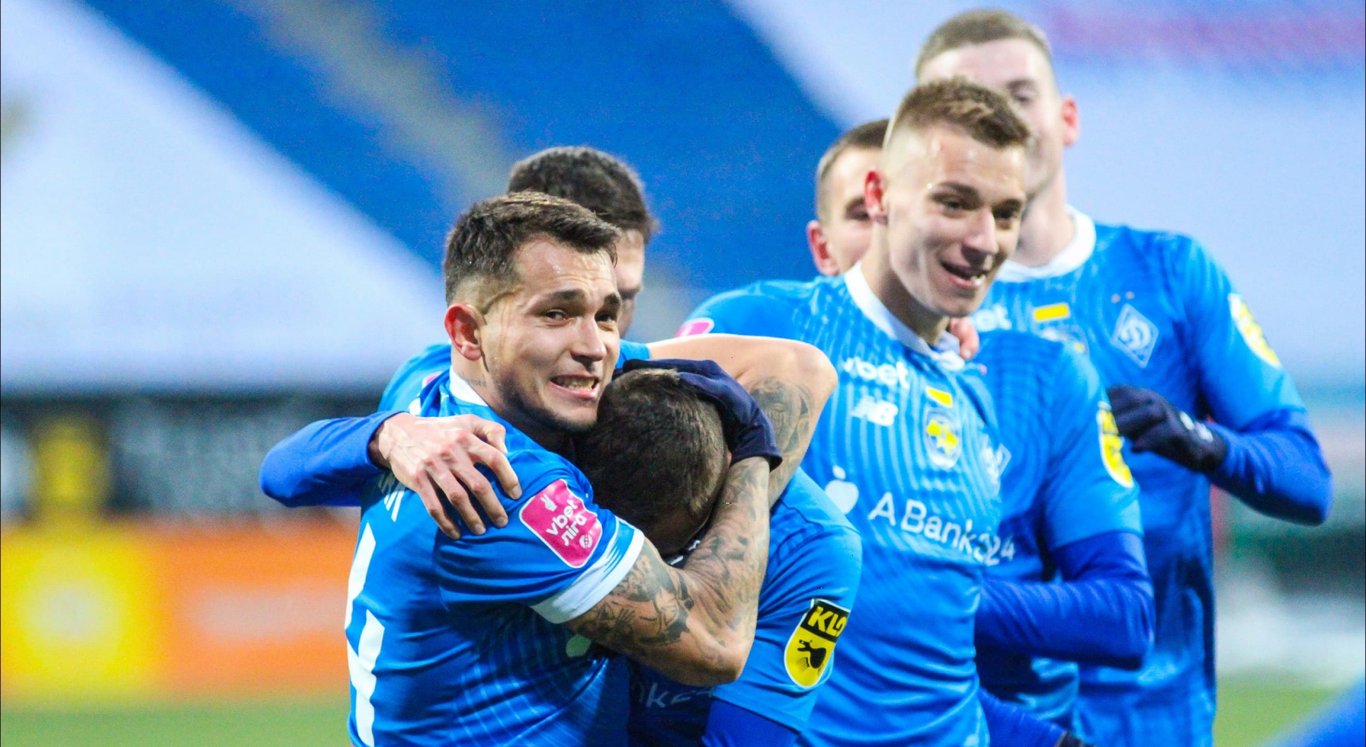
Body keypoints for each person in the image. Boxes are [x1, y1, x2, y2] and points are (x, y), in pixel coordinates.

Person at [914, 9, 1333, 745]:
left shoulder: (1168, 274)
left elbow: (1307, 481)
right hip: (981, 720)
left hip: (1153, 718)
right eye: (966, 104)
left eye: (1019, 95)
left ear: (1067, 117)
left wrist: (1200, 442)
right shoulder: (912, 309)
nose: (998, 121)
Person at [287, 191, 835, 745]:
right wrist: (750, 457)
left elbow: (799, 365)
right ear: (468, 333)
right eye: (557, 314)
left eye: (606, 315)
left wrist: (384, 432)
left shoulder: (428, 383)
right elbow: (715, 642)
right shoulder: (497, 485)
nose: (595, 347)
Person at [681, 79, 1082, 746]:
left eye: (1007, 213)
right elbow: (597, 409)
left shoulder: (972, 392)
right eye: (955, 203)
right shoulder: (765, 327)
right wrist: (469, 422)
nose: (985, 240)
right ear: (880, 196)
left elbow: (929, 663)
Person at [803, 117, 1154, 727]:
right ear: (823, 245)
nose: (883, 231)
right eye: (860, 214)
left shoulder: (1040, 380)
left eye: (989, 210)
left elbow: (1125, 615)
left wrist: (925, 589)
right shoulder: (766, 345)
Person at [577, 367, 862, 746]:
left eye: (675, 551)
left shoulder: (811, 546)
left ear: (724, 476)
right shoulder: (569, 444)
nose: (652, 571)